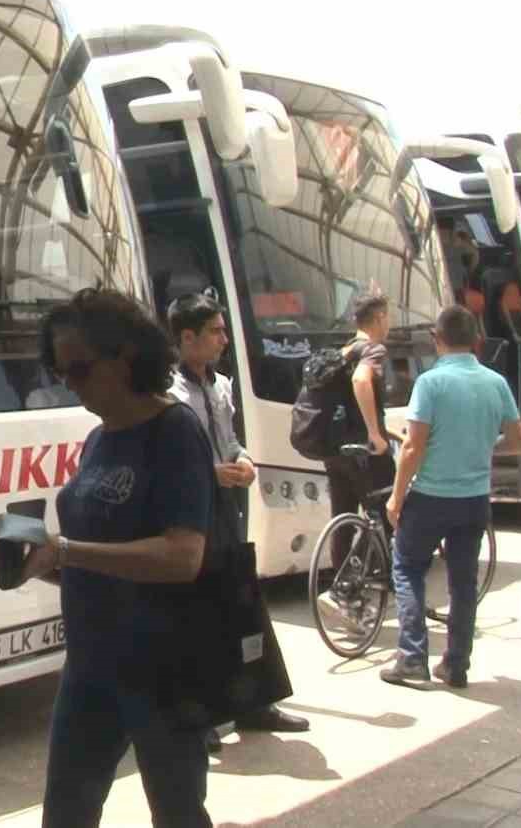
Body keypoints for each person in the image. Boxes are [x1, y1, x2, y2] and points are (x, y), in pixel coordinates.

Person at [20, 287, 217, 828]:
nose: (72, 385)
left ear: (126, 355)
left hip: (162, 668)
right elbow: (100, 558)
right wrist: (46, 563)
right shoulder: (98, 440)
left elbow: (184, 556)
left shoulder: (174, 431)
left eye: (80, 369)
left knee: (176, 813)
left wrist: (69, 550)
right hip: (90, 665)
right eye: (61, 373)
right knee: (65, 814)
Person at [166, 294, 308, 752]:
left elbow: (229, 441)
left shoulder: (220, 386)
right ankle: (198, 713)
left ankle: (254, 702)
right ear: (187, 337)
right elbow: (162, 462)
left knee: (241, 603)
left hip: (226, 508)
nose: (224, 339)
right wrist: (208, 474)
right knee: (194, 610)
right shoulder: (166, 392)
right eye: (216, 331)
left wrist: (243, 461)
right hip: (189, 510)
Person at [381, 305, 521, 690]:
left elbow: (413, 447)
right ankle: (456, 665)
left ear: (436, 339)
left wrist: (396, 498)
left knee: (408, 568)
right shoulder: (496, 383)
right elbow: (518, 442)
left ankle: (412, 658)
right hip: (475, 499)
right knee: (464, 582)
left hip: (429, 496)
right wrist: (480, 447)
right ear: (477, 339)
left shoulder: (430, 383)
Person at [324, 290, 397, 570]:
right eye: (388, 317)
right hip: (365, 452)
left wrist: (389, 432)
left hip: (336, 450)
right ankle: (365, 578)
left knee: (341, 518)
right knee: (389, 511)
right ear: (379, 318)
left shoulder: (344, 350)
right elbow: (361, 381)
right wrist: (375, 434)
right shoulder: (373, 349)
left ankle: (340, 588)